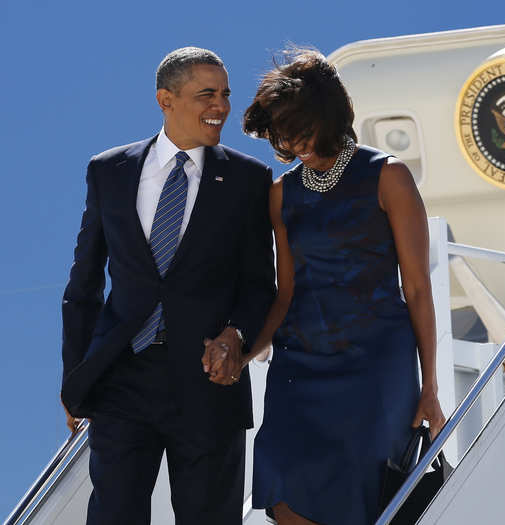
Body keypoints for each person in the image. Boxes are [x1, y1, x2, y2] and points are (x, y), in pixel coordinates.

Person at [60, 47, 276, 525]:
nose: (220, 106)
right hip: (122, 379)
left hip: (208, 383)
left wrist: (236, 337)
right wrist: (75, 376)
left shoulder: (249, 179)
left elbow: (261, 284)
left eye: (224, 94)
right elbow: (84, 285)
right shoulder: (107, 171)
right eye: (205, 95)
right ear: (166, 99)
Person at [241, 48, 446, 525]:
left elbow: (416, 288)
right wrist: (247, 351)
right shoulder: (281, 194)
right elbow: (286, 292)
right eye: (282, 133)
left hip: (375, 367)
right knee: (283, 489)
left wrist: (430, 387)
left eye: (299, 127)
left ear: (329, 114)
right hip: (300, 368)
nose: (293, 142)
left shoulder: (388, 176)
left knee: (361, 499)